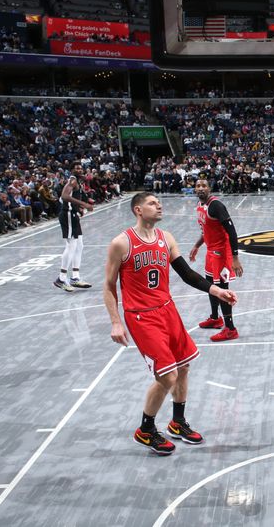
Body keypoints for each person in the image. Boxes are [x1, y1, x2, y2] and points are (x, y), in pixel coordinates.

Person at [103, 192, 238, 455]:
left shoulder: (166, 238)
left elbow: (186, 274)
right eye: (152, 203)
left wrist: (216, 291)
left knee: (184, 367)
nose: (159, 205)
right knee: (167, 376)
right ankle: (146, 429)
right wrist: (115, 322)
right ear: (138, 210)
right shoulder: (122, 243)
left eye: (159, 202)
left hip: (167, 309)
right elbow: (108, 287)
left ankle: (177, 422)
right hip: (141, 316)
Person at [189, 178, 244, 342]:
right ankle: (215, 318)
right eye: (198, 186)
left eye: (204, 185)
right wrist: (197, 246)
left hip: (222, 252)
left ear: (209, 189)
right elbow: (205, 231)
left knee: (222, 290)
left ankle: (230, 328)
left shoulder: (216, 206)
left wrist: (235, 258)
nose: (200, 188)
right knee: (210, 286)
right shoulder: (200, 206)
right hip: (210, 251)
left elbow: (232, 232)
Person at [54, 175, 94, 292]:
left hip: (73, 215)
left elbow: (71, 199)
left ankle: (75, 277)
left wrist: (80, 208)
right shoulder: (72, 181)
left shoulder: (78, 182)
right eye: (76, 168)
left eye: (80, 168)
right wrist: (84, 204)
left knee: (79, 246)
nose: (79, 170)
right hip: (67, 215)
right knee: (71, 246)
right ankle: (61, 279)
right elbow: (64, 196)